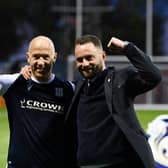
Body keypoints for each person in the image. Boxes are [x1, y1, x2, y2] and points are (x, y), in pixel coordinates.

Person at [64, 35, 162, 168]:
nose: (85, 64)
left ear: (103, 56)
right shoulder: (76, 89)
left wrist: (127, 47)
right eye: (80, 60)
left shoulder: (120, 79)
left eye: (89, 58)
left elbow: (153, 76)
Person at [0, 35, 77, 168]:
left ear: (54, 57)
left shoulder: (68, 89)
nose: (40, 62)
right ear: (28, 57)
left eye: (45, 57)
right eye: (36, 56)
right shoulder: (13, 83)